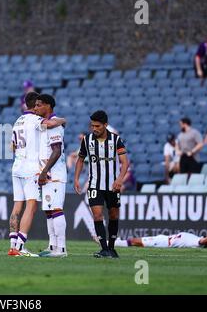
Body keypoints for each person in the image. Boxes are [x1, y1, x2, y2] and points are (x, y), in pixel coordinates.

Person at [8, 92, 65, 257]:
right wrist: (63, 120)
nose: (39, 107)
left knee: (17, 206)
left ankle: (12, 244)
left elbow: (12, 146)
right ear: (35, 106)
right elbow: (52, 123)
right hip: (29, 168)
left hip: (16, 167)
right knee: (31, 207)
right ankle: (20, 247)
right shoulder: (36, 120)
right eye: (38, 105)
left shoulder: (17, 121)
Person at [74, 110, 129, 258]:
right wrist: (76, 179)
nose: (94, 129)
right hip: (95, 185)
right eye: (92, 126)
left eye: (97, 126)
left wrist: (120, 180)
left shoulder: (116, 140)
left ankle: (111, 248)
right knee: (97, 216)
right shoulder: (87, 140)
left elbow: (125, 163)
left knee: (113, 215)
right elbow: (80, 160)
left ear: (105, 125)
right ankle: (104, 249)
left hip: (112, 185)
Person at [34, 94, 68, 258]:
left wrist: (45, 171)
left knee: (55, 209)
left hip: (54, 175)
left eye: (39, 105)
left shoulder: (54, 126)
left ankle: (61, 249)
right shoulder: (45, 125)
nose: (36, 108)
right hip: (46, 175)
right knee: (48, 211)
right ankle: (52, 245)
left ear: (48, 106)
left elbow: (56, 151)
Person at [115, 232, 207, 249]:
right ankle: (117, 242)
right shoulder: (196, 238)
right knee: (136, 241)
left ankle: (114, 243)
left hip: (164, 243)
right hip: (164, 238)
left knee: (135, 241)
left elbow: (204, 241)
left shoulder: (197, 243)